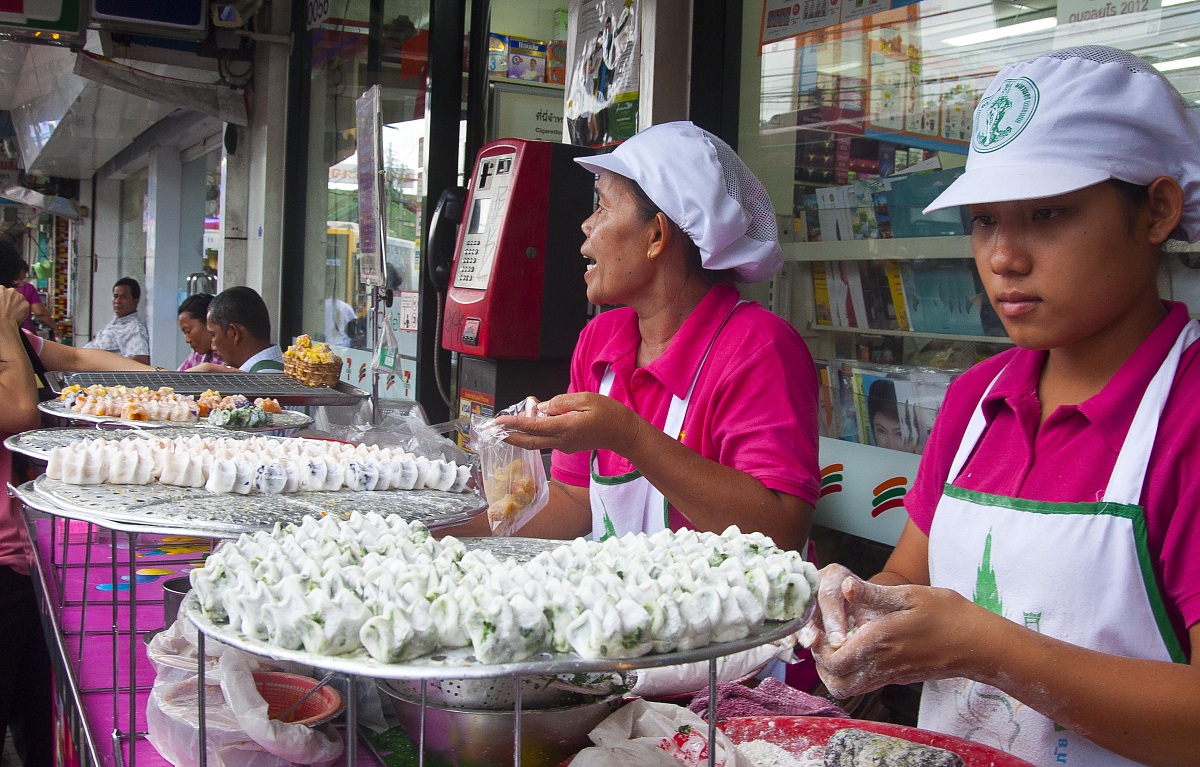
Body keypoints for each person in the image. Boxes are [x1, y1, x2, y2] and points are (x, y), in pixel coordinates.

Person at [802, 47, 1200, 767]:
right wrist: (854, 605)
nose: (1004, 257)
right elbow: (907, 576)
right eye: (984, 221)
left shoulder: (1187, 415)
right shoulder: (975, 399)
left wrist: (985, 647)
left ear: (1158, 211)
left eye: (1047, 214)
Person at [468, 121, 820, 555]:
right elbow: (574, 501)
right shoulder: (599, 342)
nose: (586, 225)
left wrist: (627, 436)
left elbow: (781, 534)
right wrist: (432, 533)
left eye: (602, 207)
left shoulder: (759, 348)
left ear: (656, 234)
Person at [0, 240, 152, 767]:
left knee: (36, 711)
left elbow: (82, 359)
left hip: (21, 560)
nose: (24, 294)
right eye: (16, 284)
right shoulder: (4, 339)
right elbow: (20, 412)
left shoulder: (12, 341)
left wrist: (175, 383)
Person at [188, 285, 283, 373]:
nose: (212, 346)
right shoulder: (279, 368)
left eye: (213, 335)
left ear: (234, 333)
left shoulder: (262, 380)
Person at [84, 277, 150, 365]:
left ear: (135, 301)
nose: (117, 301)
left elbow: (141, 361)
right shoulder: (115, 323)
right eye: (115, 296)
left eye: (123, 297)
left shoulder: (133, 329)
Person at [176, 293, 223, 370]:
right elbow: (178, 377)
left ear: (208, 322)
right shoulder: (197, 356)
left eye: (188, 331)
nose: (187, 340)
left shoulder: (229, 357)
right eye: (185, 333)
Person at [12, 259, 57, 339]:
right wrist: (55, 327)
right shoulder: (27, 288)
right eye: (25, 272)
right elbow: (39, 312)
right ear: (22, 271)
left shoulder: (3, 288)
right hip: (25, 335)